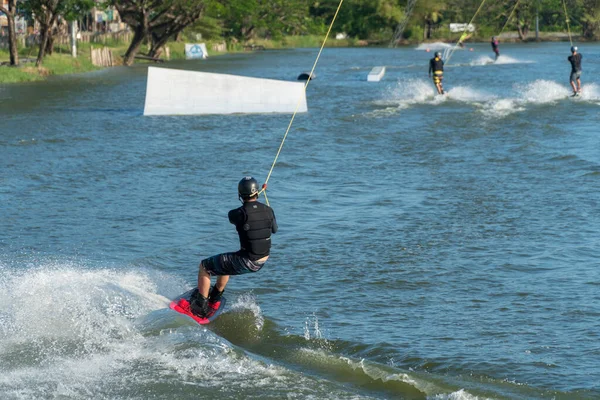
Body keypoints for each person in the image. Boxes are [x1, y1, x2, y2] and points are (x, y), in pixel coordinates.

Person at [190, 176, 278, 318]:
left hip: (247, 260)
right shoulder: (269, 210)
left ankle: (200, 306)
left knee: (204, 266)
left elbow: (232, 217)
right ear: (256, 193)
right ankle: (215, 297)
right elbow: (274, 229)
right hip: (262, 261)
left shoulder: (238, 213)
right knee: (225, 263)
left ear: (240, 195)